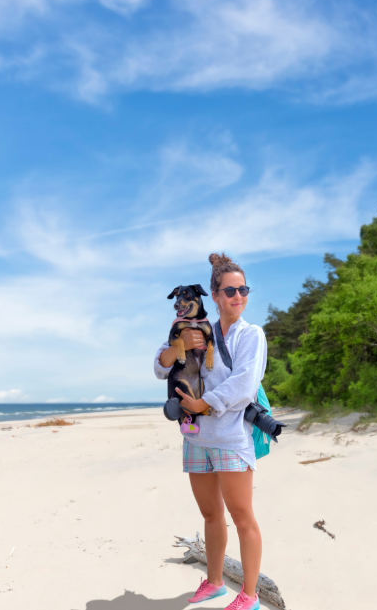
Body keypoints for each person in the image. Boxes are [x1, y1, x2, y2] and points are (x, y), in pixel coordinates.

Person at [154, 252, 267, 610]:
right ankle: (216, 582)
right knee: (210, 515)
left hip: (231, 438)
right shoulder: (195, 326)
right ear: (215, 296)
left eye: (243, 290)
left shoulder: (252, 335)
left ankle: (249, 595)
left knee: (241, 515)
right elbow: (160, 368)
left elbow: (244, 384)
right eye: (230, 291)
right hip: (195, 438)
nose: (238, 296)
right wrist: (180, 347)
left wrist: (205, 404)